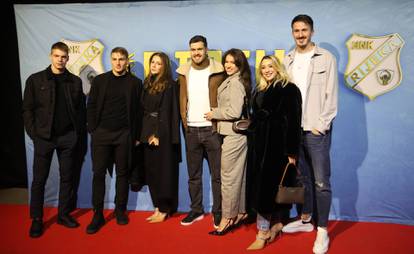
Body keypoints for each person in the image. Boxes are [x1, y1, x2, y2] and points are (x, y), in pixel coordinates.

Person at [282, 14, 338, 254]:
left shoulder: (326, 58)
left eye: (304, 30)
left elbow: (331, 95)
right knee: (302, 179)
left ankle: (322, 231)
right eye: (296, 30)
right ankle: (306, 221)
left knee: (321, 182)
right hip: (294, 131)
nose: (300, 34)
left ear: (312, 32)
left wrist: (321, 124)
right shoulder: (287, 59)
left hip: (315, 131)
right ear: (292, 32)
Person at [22, 41, 86, 238]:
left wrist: (76, 135)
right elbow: (27, 110)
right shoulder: (35, 80)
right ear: (51, 56)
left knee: (67, 178)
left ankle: (63, 214)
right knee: (39, 180)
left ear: (68, 58)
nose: (60, 60)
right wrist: (35, 133)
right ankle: (37, 219)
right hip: (45, 138)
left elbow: (80, 111)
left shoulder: (75, 81)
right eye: (57, 56)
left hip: (68, 138)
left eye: (64, 57)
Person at [246, 55, 302, 250]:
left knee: (269, 190)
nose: (267, 70)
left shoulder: (289, 89)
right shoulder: (259, 89)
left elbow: (294, 122)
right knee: (267, 189)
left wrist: (292, 152)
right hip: (259, 147)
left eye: (271, 66)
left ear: (278, 67)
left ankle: (262, 233)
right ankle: (277, 224)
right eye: (263, 67)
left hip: (277, 148)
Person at [86, 47, 143, 234]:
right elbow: (92, 105)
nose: (118, 62)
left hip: (124, 135)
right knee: (98, 174)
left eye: (121, 59)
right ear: (111, 60)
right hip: (101, 134)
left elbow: (138, 112)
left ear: (127, 61)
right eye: (115, 59)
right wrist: (93, 129)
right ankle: (98, 214)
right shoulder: (100, 81)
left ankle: (120, 210)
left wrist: (135, 135)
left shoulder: (135, 83)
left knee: (123, 174)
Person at [176, 35, 225, 228]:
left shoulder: (219, 70)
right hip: (191, 129)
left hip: (212, 129)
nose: (196, 53)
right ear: (190, 51)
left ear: (206, 50)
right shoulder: (183, 71)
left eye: (199, 49)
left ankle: (218, 212)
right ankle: (196, 210)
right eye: (193, 49)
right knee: (193, 175)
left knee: (218, 176)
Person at [204, 48, 251, 235]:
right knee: (238, 176)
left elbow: (233, 112)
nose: (228, 65)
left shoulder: (236, 83)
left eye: (233, 62)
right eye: (227, 62)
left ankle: (227, 217)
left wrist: (213, 113)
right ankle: (240, 212)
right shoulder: (233, 80)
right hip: (234, 135)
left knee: (228, 178)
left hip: (233, 135)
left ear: (240, 65)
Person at [139, 52, 181, 223]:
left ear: (165, 66)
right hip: (146, 133)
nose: (154, 65)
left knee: (164, 173)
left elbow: (167, 112)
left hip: (162, 134)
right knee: (152, 172)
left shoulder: (170, 85)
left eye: (158, 63)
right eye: (153, 62)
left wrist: (157, 135)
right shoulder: (147, 83)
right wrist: (143, 134)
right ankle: (157, 206)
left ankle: (165, 209)